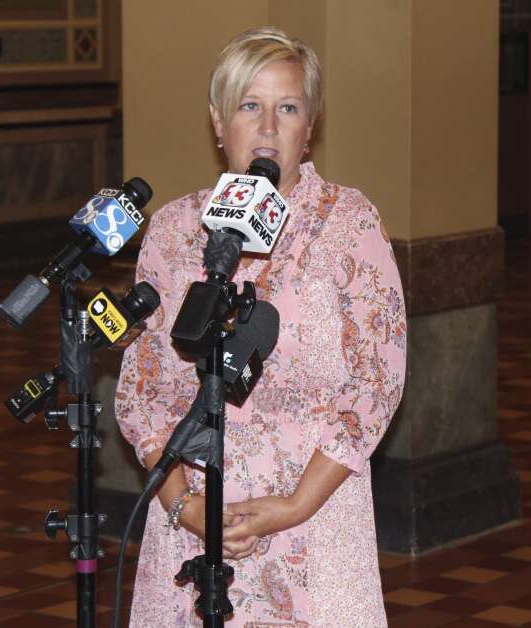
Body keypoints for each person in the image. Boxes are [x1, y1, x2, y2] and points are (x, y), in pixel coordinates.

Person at [115, 27, 406, 627]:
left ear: (310, 127)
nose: (269, 127)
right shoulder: (173, 232)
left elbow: (377, 384)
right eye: (250, 106)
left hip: (315, 520)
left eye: (288, 107)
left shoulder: (349, 225)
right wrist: (182, 506)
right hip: (194, 519)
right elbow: (143, 394)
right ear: (219, 123)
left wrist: (295, 505)